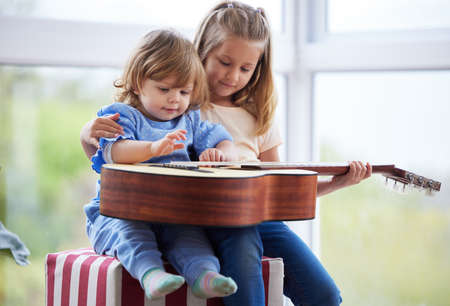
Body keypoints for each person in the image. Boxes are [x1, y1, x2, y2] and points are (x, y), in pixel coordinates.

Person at [80, 2, 372, 305]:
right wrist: (87, 132)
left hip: (263, 217)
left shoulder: (260, 118)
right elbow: (107, 153)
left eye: (246, 68)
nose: (233, 75)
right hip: (219, 217)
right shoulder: (183, 106)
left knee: (325, 295)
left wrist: (338, 183)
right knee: (242, 250)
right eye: (224, 62)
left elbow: (280, 191)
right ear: (202, 51)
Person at [83, 29, 239, 301]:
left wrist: (221, 153)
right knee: (132, 234)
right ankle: (151, 274)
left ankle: (205, 276)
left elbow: (223, 139)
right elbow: (114, 151)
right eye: (164, 89)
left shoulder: (188, 120)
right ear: (136, 83)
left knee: (191, 239)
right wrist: (153, 148)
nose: (174, 98)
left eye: (183, 91)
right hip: (120, 211)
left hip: (172, 211)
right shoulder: (123, 116)